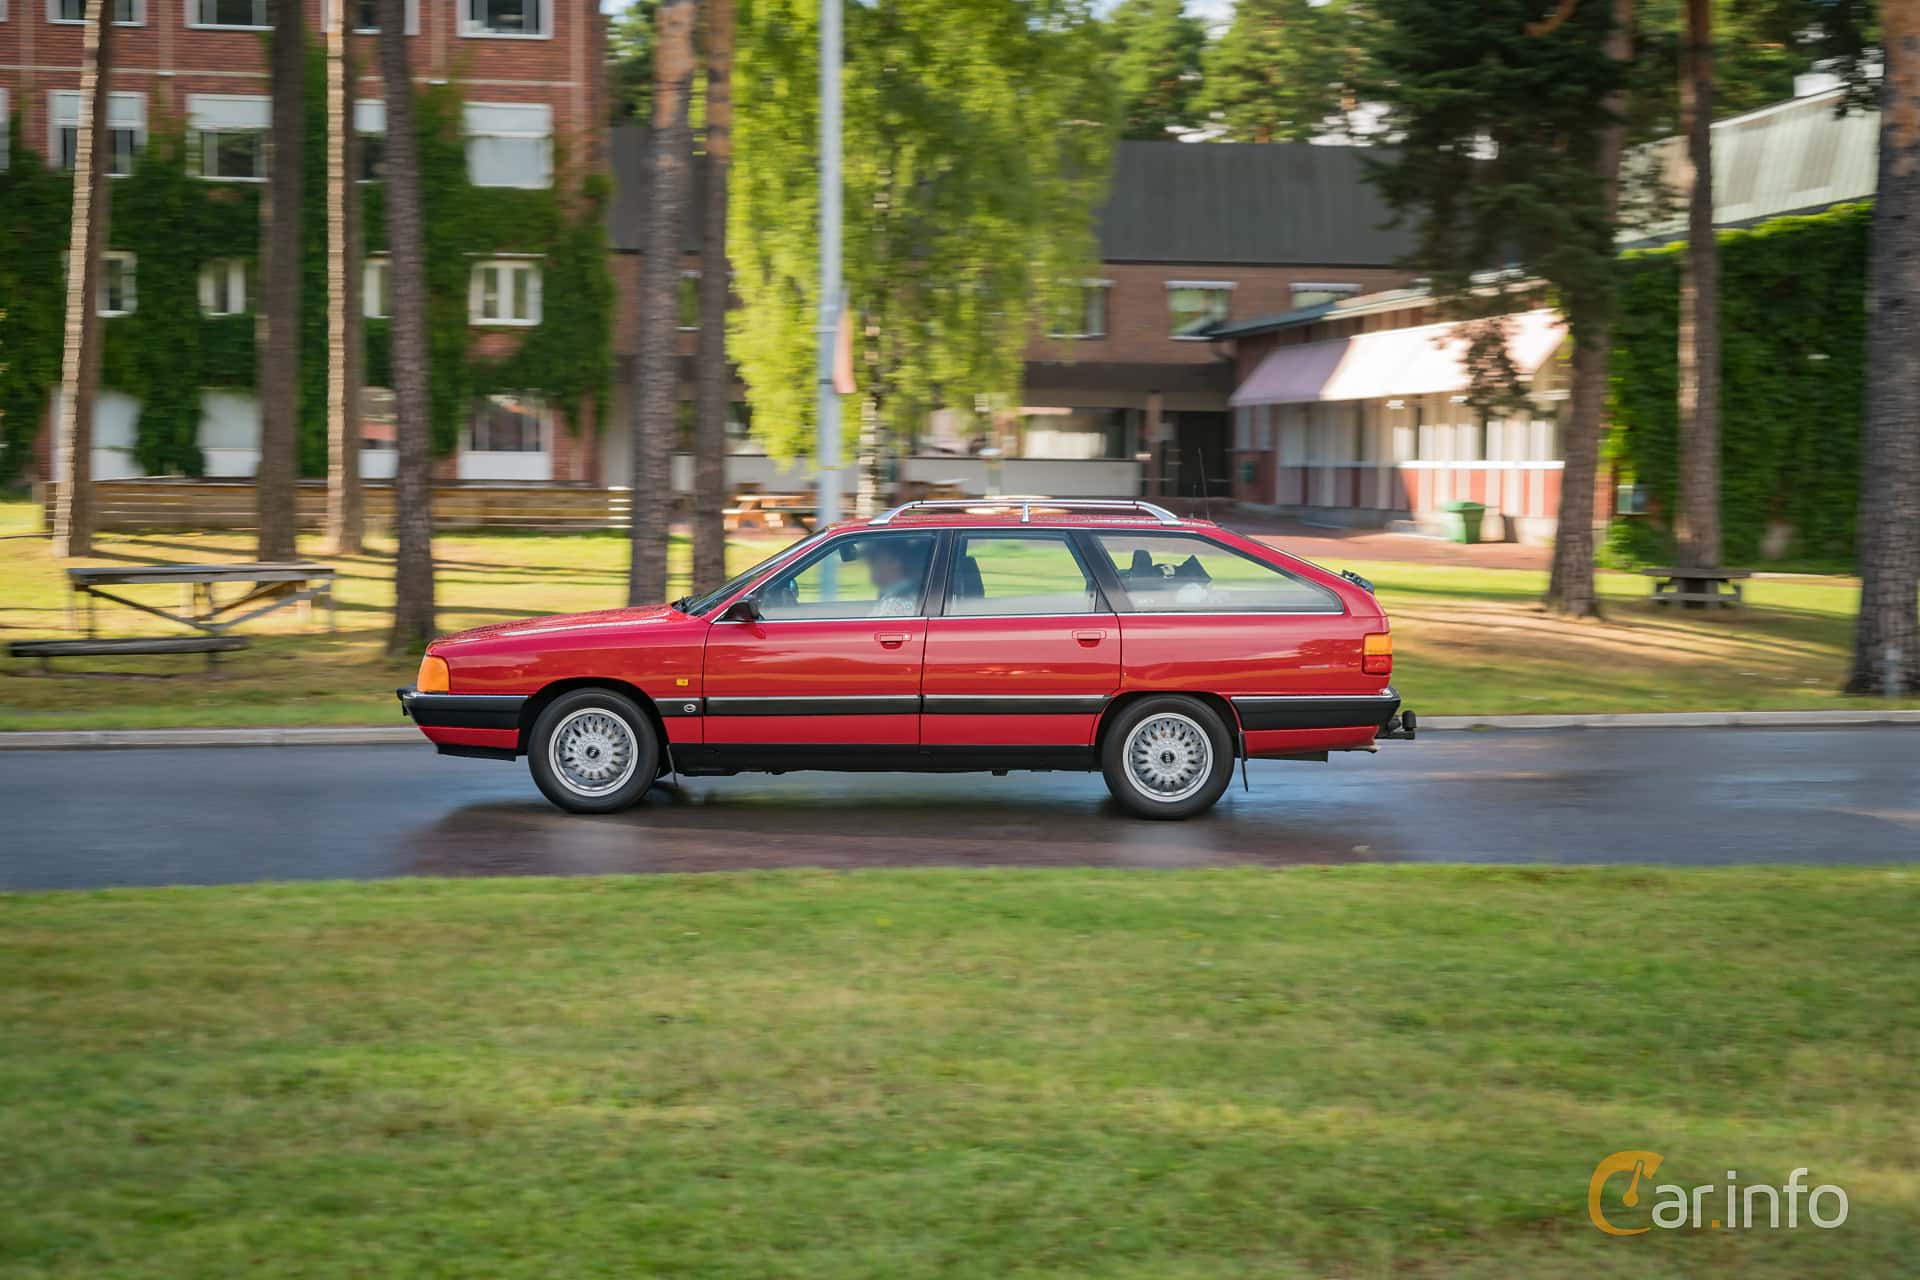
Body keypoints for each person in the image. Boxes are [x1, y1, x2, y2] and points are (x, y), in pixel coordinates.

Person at [866, 539, 926, 616]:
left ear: (895, 562)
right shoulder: (892, 597)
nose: (870, 563)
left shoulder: (897, 603)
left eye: (875, 559)